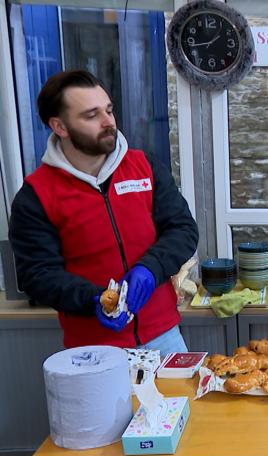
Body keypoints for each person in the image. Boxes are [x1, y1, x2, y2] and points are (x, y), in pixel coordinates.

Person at [9, 69, 199, 357]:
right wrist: (93, 299)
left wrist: (151, 268)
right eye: (91, 115)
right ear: (60, 126)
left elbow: (183, 229)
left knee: (182, 404)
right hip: (92, 349)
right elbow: (37, 275)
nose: (108, 122)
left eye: (109, 110)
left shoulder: (144, 166)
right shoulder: (36, 195)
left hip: (164, 336)